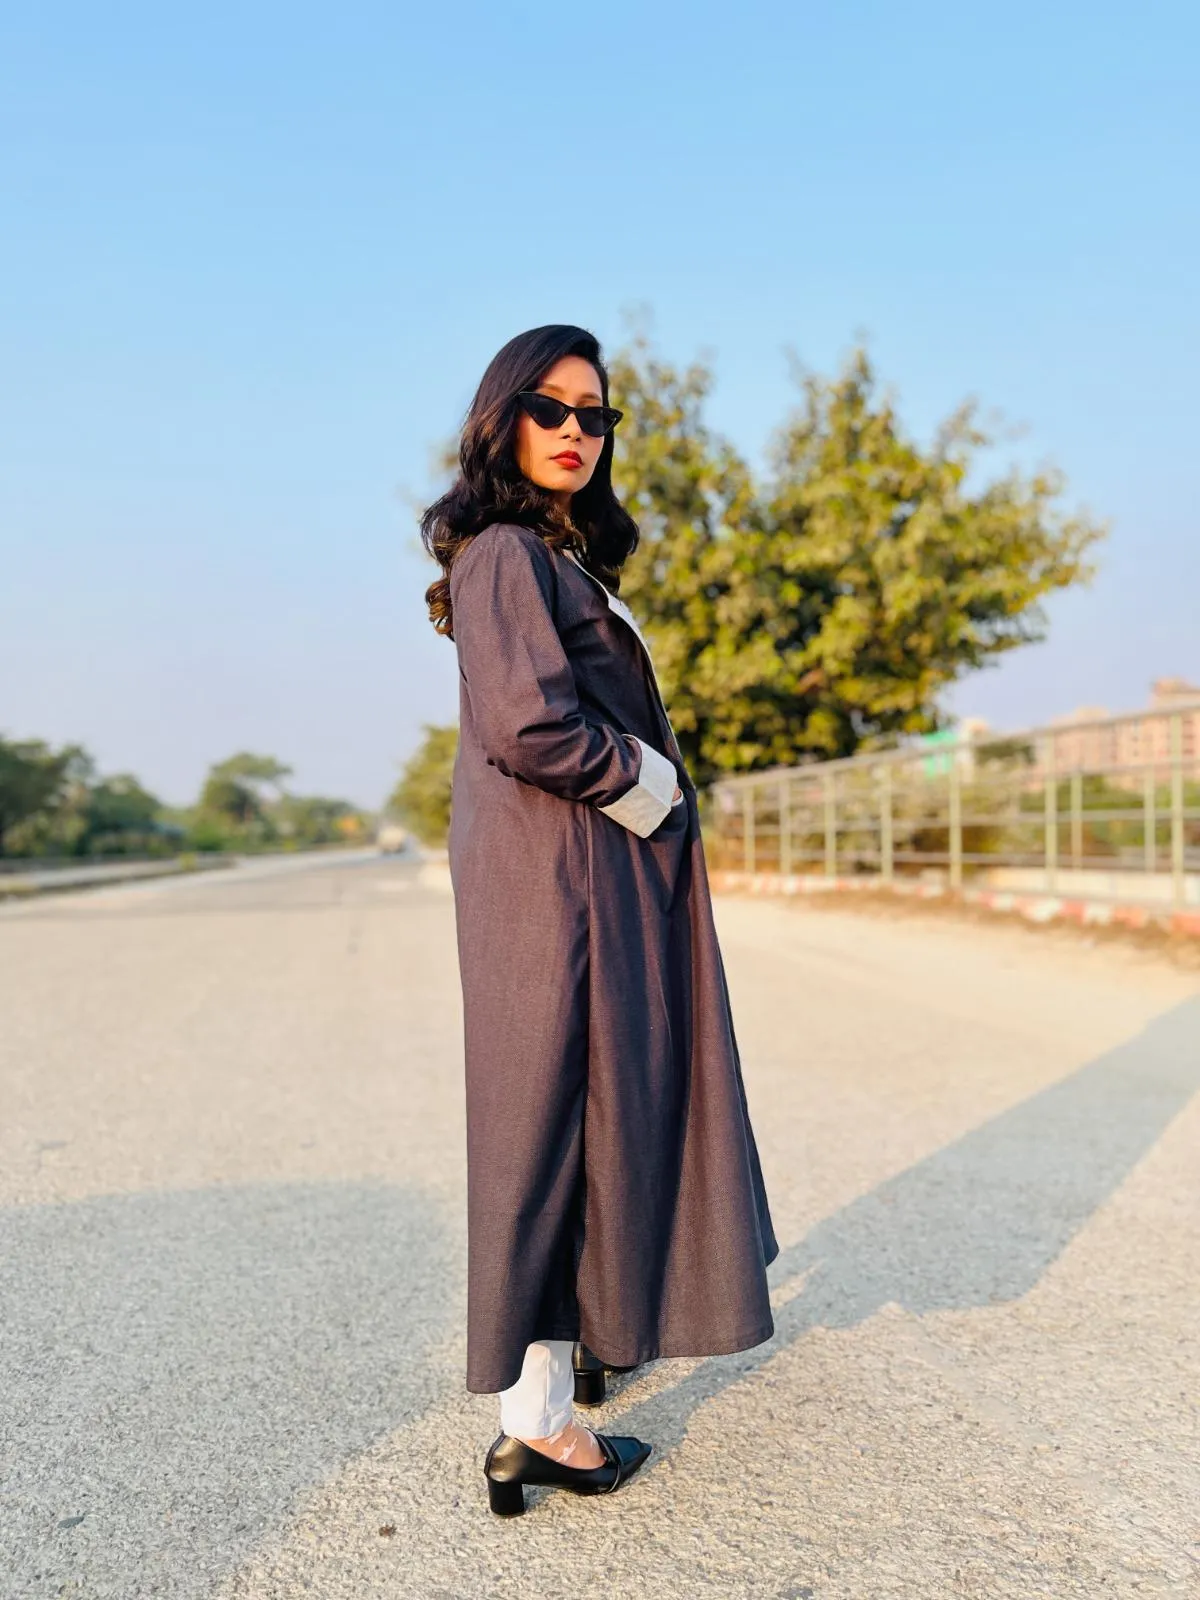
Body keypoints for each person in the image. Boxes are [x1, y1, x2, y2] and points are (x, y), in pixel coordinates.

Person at [420, 323, 779, 1516]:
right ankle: (536, 1426)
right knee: (553, 1132)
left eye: (596, 414)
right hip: (561, 893)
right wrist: (648, 782)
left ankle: (566, 1375)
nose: (576, 430)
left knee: (585, 1121)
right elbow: (530, 726)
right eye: (551, 408)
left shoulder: (547, 558)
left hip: (576, 884)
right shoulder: (505, 554)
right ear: (502, 418)